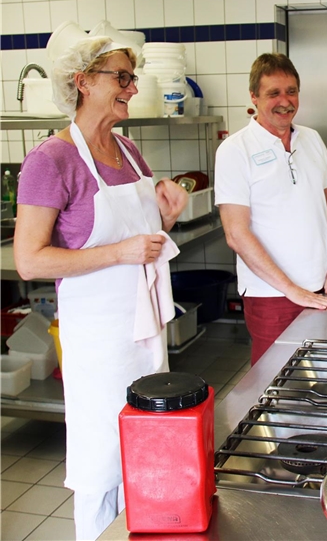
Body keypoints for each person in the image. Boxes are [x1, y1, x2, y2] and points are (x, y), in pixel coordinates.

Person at [13, 36, 188, 540]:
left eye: (132, 77)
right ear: (82, 81)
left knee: (146, 449)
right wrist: (121, 252)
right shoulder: (52, 160)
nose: (132, 89)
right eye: (122, 77)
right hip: (98, 340)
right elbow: (29, 260)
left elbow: (143, 244)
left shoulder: (129, 151)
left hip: (144, 333)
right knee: (101, 463)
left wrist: (167, 221)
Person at [215, 53, 327, 365]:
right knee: (275, 383)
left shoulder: (312, 139)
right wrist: (291, 290)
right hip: (270, 296)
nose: (285, 101)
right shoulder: (234, 150)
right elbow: (236, 233)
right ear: (254, 97)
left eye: (291, 91)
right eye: (273, 93)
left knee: (323, 376)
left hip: (323, 287)